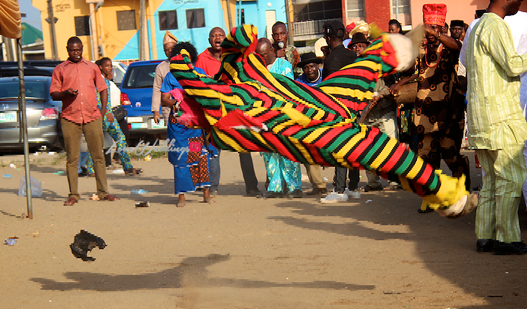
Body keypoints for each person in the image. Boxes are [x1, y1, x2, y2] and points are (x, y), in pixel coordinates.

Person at [168, 24, 477, 219]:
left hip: (318, 107)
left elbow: (234, 46)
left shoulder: (234, 83)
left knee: (368, 132)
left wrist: (187, 58)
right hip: (310, 130)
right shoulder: (220, 120)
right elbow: (207, 73)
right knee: (372, 150)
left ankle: (442, 192)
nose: (181, 112)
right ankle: (442, 192)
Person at [395, 4, 470, 213]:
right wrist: (400, 82)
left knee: (451, 156)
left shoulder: (450, 47)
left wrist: (436, 35)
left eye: (433, 29)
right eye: (427, 28)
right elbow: (412, 69)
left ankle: (463, 192)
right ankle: (430, 198)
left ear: (441, 29)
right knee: (427, 157)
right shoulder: (421, 48)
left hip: (449, 112)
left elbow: (459, 46)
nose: (429, 33)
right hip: (424, 113)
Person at [466, 0, 527, 254]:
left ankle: (485, 236)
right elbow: (513, 64)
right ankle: (507, 239)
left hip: (482, 118)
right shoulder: (495, 25)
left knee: (491, 180)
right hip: (500, 116)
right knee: (511, 178)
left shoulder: (477, 26)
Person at [50, 36, 118, 206]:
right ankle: (73, 194)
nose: (76, 53)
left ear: (82, 49)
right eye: (73, 50)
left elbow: (103, 89)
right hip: (70, 117)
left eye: (79, 49)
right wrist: (65, 93)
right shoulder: (60, 69)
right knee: (72, 158)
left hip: (92, 116)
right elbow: (53, 93)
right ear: (67, 49)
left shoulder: (92, 67)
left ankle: (103, 192)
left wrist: (102, 111)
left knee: (98, 156)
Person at [161, 42, 214, 207]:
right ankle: (181, 196)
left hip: (195, 125)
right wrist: (177, 102)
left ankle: (206, 194)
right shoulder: (171, 76)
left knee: (200, 157)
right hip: (178, 126)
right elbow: (164, 99)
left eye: (188, 58)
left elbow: (208, 93)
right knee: (180, 159)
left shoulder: (199, 73)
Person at [255, 38, 302, 198]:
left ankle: (294, 187)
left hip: (284, 116)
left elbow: (287, 92)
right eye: (258, 55)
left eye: (263, 55)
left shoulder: (284, 67)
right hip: (264, 118)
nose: (261, 58)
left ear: (271, 52)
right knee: (269, 153)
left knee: (288, 151)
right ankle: (275, 187)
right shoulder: (256, 70)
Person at [321, 20, 361, 203]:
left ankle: (339, 190)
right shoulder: (353, 55)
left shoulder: (330, 60)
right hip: (356, 107)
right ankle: (353, 187)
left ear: (328, 38)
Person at [84, 57, 141, 177]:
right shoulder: (99, 80)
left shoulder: (104, 80)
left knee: (109, 140)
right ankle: (91, 168)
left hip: (105, 114)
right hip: (103, 115)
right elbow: (98, 100)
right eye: (107, 66)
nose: (110, 68)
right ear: (100, 67)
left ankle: (126, 167)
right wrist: (106, 112)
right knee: (107, 140)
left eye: (110, 66)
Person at [295, 52, 328, 196]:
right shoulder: (299, 82)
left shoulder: (327, 77)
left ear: (318, 66)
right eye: (306, 67)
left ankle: (344, 184)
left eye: (312, 66)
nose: (310, 70)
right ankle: (319, 186)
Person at [195, 27, 224, 195]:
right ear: (209, 40)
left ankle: (251, 186)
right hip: (210, 112)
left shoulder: (231, 57)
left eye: (220, 35)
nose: (217, 38)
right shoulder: (201, 59)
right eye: (214, 36)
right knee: (212, 149)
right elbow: (198, 85)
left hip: (232, 110)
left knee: (244, 151)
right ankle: (211, 186)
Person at [153, 31, 177, 126]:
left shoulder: (187, 64)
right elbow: (156, 89)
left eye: (172, 48)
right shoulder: (161, 67)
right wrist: (156, 110)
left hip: (185, 108)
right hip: (168, 108)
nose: (170, 51)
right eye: (167, 49)